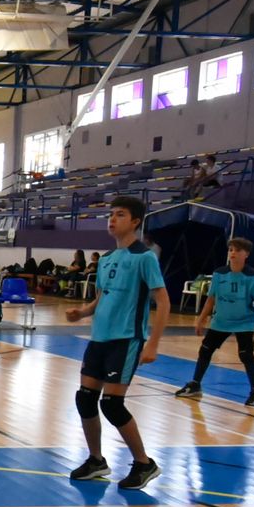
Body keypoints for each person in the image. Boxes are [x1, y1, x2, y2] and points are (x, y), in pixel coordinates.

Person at [63, 196, 170, 491]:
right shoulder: (108, 259)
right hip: (99, 339)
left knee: (111, 404)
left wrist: (153, 344)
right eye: (110, 214)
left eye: (120, 215)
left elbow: (163, 302)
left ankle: (144, 463)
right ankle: (96, 460)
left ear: (135, 221)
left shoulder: (144, 257)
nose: (112, 219)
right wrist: (82, 312)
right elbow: (102, 297)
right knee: (85, 398)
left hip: (126, 340)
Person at [174, 237, 254, 406]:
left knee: (245, 354)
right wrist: (201, 319)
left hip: (244, 322)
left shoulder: (252, 276)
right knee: (205, 350)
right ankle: (195, 384)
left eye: (238, 250)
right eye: (231, 249)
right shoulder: (219, 273)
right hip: (221, 321)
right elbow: (211, 299)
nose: (233, 253)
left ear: (247, 254)